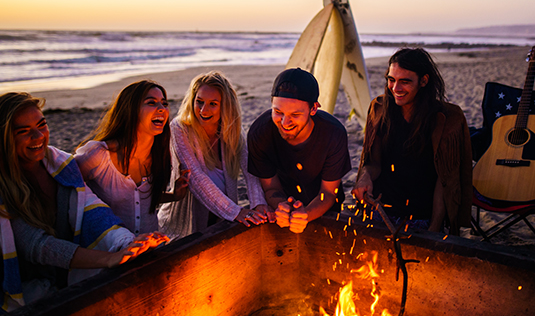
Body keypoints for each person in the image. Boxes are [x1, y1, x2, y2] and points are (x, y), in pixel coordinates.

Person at [0, 92, 167, 316]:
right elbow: (37, 245)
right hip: (6, 300)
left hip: (58, 283)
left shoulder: (61, 166)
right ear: (1, 138)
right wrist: (107, 259)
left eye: (42, 125)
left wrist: (126, 242)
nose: (38, 136)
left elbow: (93, 210)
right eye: (23, 131)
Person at [352, 48, 472, 235]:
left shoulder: (447, 118)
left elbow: (445, 179)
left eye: (405, 82)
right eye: (391, 80)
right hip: (380, 212)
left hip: (422, 218)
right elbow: (373, 163)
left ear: (424, 81)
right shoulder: (379, 109)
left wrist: (434, 227)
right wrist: (365, 176)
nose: (396, 88)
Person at [157, 71, 271, 239]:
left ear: (225, 106)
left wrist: (258, 204)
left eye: (213, 104)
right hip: (180, 232)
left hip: (220, 225)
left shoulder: (233, 133)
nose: (203, 110)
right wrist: (235, 211)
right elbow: (196, 177)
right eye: (199, 102)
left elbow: (251, 171)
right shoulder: (180, 129)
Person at [247, 68, 352, 234]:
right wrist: (283, 206)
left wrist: (306, 215)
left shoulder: (333, 133)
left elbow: (328, 193)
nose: (284, 122)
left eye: (295, 114)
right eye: (278, 112)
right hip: (281, 211)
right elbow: (270, 188)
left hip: (324, 207)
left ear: (313, 109)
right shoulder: (260, 133)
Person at [75, 80, 186, 236]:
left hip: (151, 250)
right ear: (131, 110)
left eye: (164, 103)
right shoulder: (98, 155)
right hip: (111, 253)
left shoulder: (159, 155)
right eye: (151, 103)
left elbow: (140, 201)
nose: (162, 109)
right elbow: (65, 188)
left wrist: (174, 195)